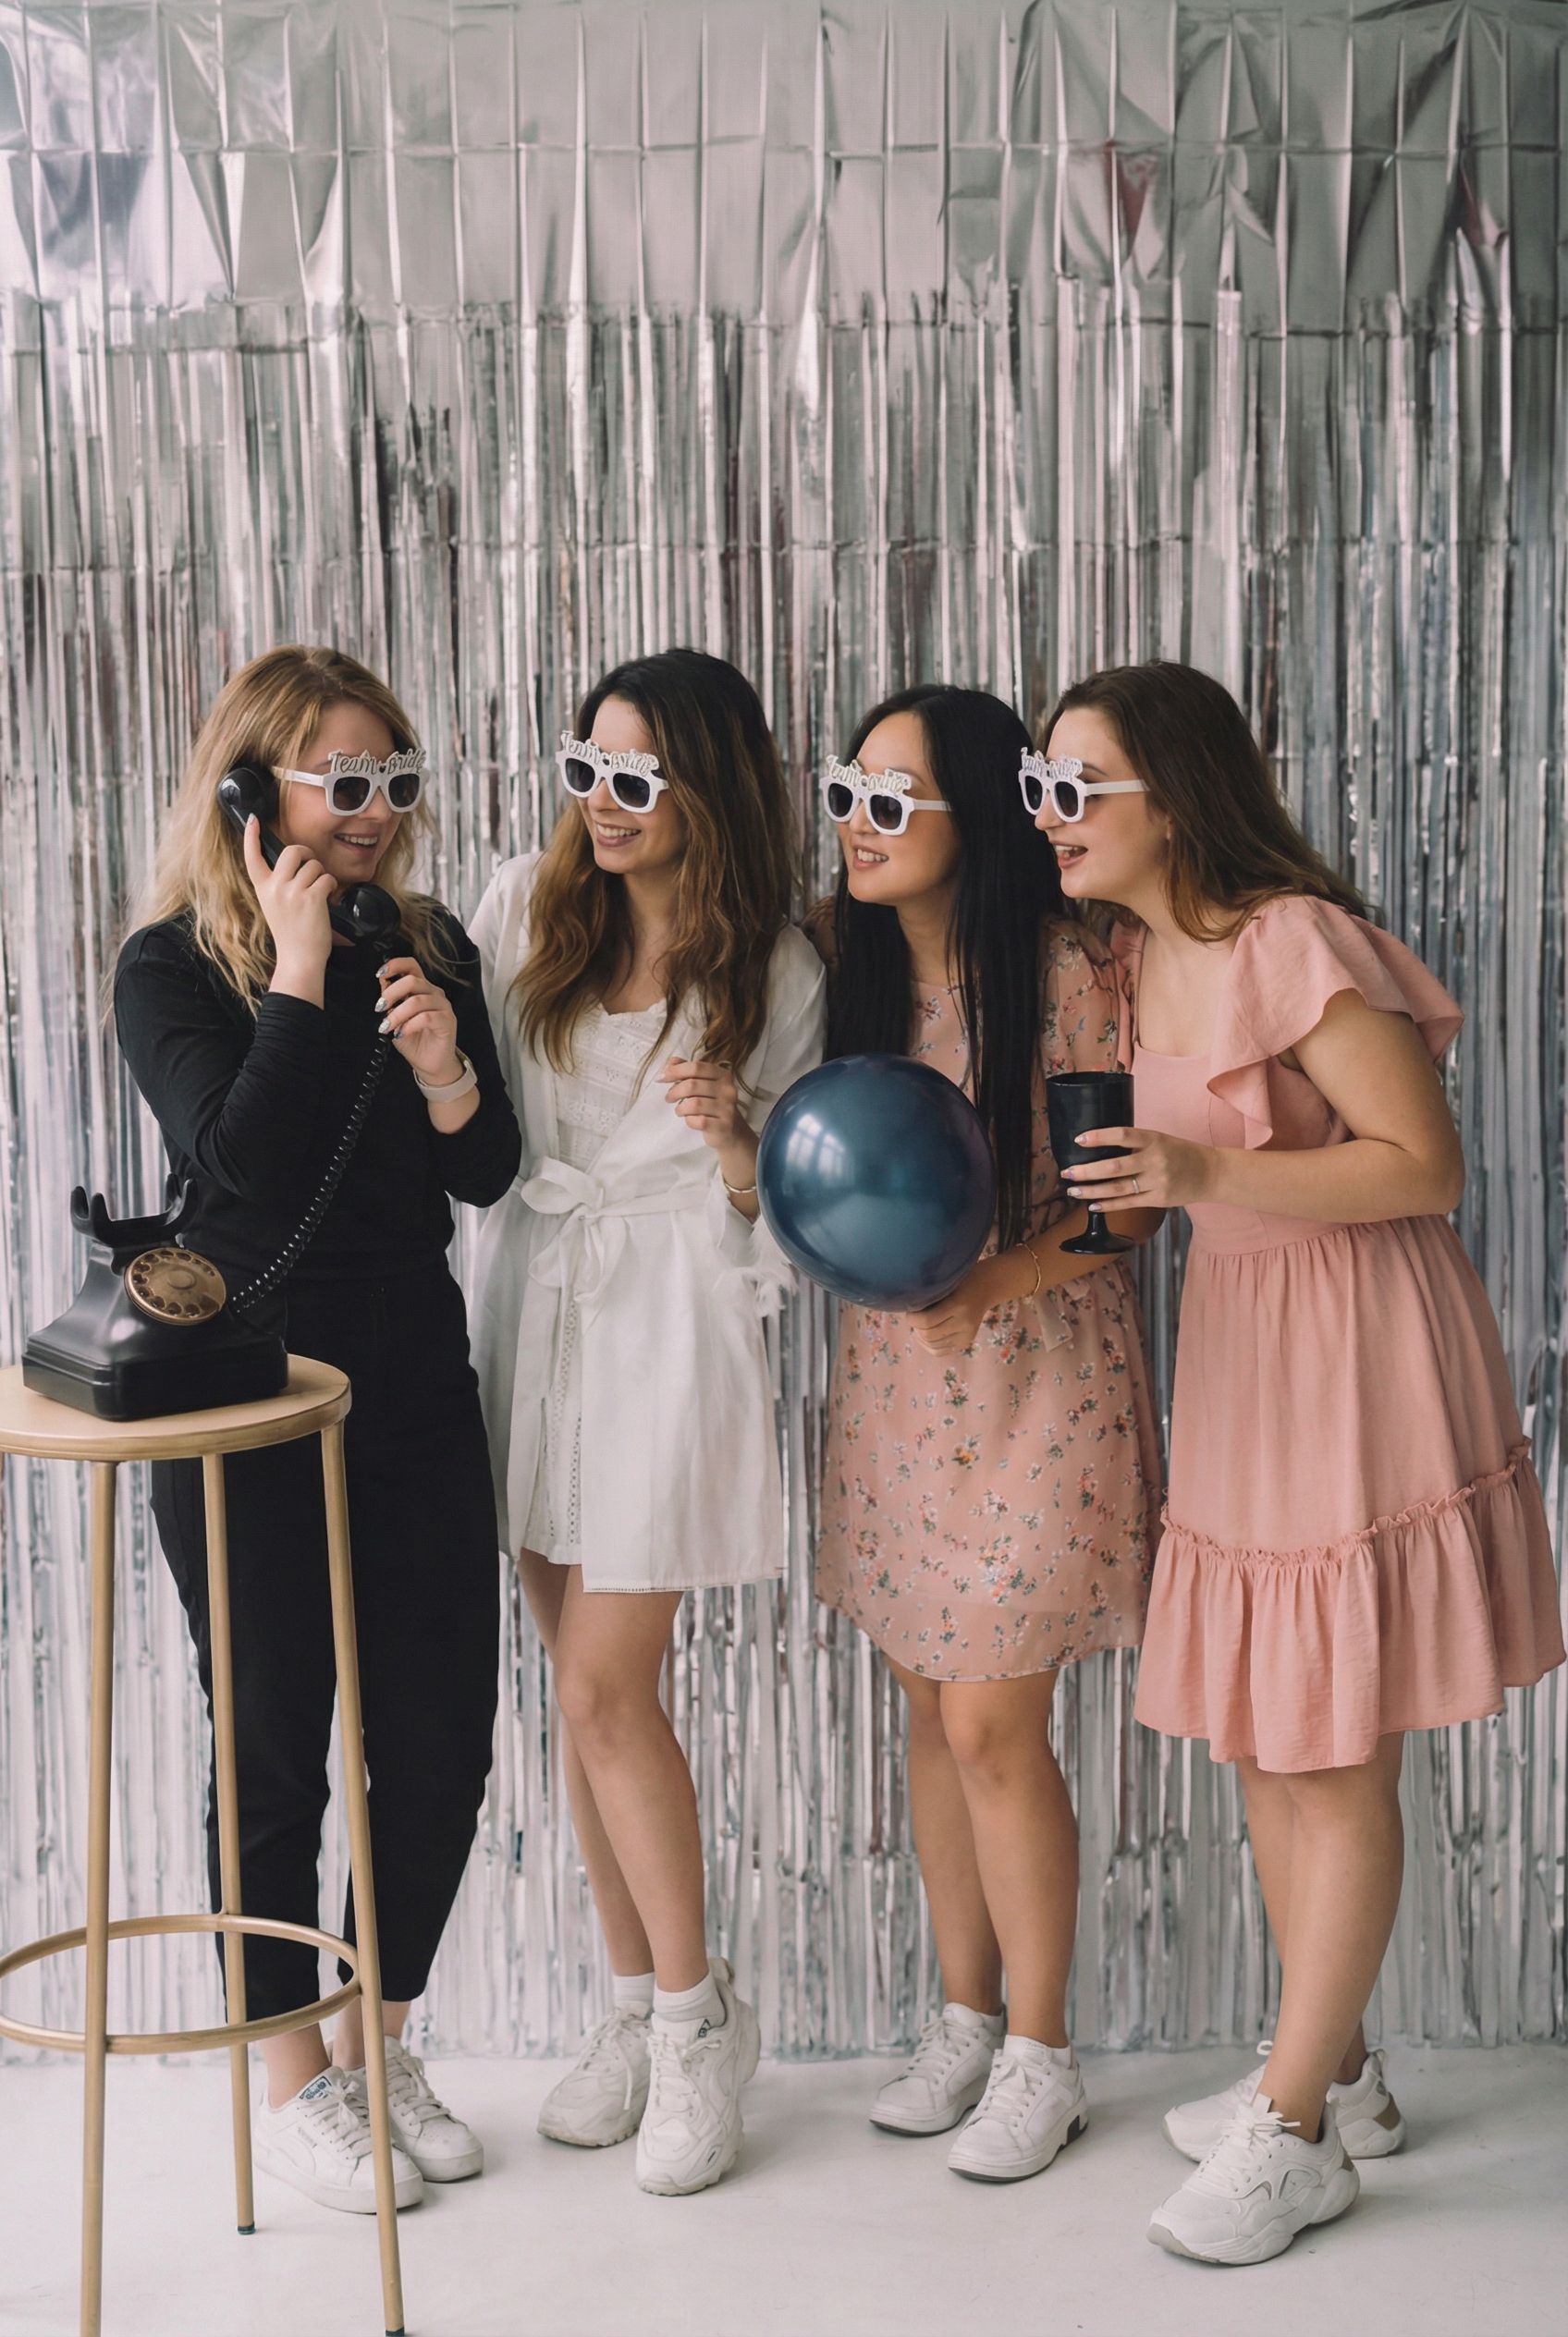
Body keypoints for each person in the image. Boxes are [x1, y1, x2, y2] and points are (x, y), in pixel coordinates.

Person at [1032, 657, 1564, 2264]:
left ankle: (1289, 2130)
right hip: (1253, 1341)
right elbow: (1185, 1183)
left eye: (1079, 788)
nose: (1050, 817)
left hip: (1357, 1339)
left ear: (1174, 798)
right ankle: (1329, 2074)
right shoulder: (1138, 961)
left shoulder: (1291, 943)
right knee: (1274, 1729)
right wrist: (1135, 1194)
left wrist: (1201, 1162)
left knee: (1332, 1748)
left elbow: (1429, 1165)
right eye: (1040, 791)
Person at [115, 644, 521, 2214]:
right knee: (275, 1738)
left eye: (394, 782)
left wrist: (442, 1072)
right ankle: (291, 2075)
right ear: (252, 789)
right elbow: (235, 1185)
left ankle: (379, 2038)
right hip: (248, 1396)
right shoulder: (174, 966)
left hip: (413, 1378)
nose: (373, 814)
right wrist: (294, 972)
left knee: (437, 1737)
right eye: (342, 781)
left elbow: (485, 1181)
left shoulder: (428, 948)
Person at [467, 648, 825, 2195]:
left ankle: (696, 2020)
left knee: (613, 1684)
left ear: (708, 792)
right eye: (585, 769)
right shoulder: (521, 913)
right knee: (575, 1688)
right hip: (539, 1297)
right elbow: (474, 1121)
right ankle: (627, 2007)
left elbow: (795, 1219)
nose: (601, 806)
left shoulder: (783, 974)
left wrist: (742, 1144)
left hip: (671, 1327)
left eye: (636, 778)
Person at [812, 685, 1164, 2182]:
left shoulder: (1074, 970)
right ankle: (961, 2016)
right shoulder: (847, 973)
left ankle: (1042, 2048)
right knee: (924, 1710)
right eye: (848, 791)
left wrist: (993, 1285)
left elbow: (1126, 1207)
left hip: (1037, 1376)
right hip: (896, 1389)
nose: (856, 823)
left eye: (892, 802)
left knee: (990, 1721)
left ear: (976, 820)